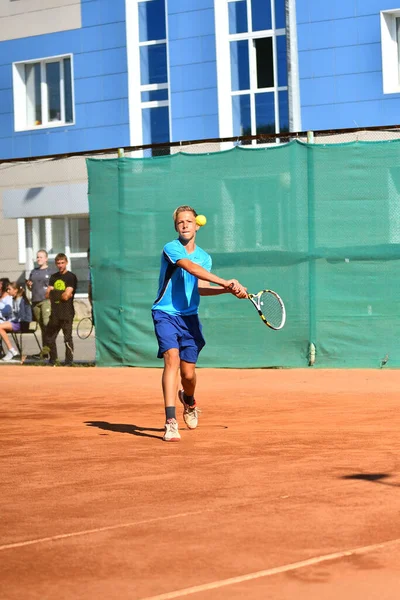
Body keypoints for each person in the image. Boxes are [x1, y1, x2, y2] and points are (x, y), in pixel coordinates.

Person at [152, 205, 247, 442]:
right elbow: (190, 268)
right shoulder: (171, 248)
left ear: (197, 226)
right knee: (171, 358)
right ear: (176, 226)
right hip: (165, 313)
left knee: (188, 374)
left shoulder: (205, 257)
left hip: (190, 318)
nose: (184, 225)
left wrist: (226, 290)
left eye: (189, 221)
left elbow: (201, 287)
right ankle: (170, 421)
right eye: (180, 222)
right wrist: (226, 281)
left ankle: (189, 400)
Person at [45, 253, 78, 366]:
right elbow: (47, 294)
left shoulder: (71, 277)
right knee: (49, 336)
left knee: (67, 338)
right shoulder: (53, 277)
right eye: (58, 263)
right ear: (55, 264)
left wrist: (55, 293)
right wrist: (58, 293)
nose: (60, 265)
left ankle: (69, 362)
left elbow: (66, 296)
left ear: (66, 262)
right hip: (55, 312)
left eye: (62, 263)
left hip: (67, 311)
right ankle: (53, 360)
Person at [0, 282, 32, 362]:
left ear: (15, 290)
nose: (7, 291)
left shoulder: (21, 300)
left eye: (9, 289)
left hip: (23, 324)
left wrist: (10, 322)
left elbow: (22, 317)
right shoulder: (14, 299)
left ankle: (11, 350)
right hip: (17, 322)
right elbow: (15, 316)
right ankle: (11, 350)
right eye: (7, 289)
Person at [26, 249, 52, 350]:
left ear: (46, 259)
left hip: (46, 301)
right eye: (37, 257)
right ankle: (45, 351)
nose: (39, 259)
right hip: (35, 301)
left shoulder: (50, 271)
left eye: (41, 257)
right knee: (42, 327)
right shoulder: (34, 271)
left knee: (47, 324)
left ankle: (52, 351)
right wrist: (29, 285)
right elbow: (31, 287)